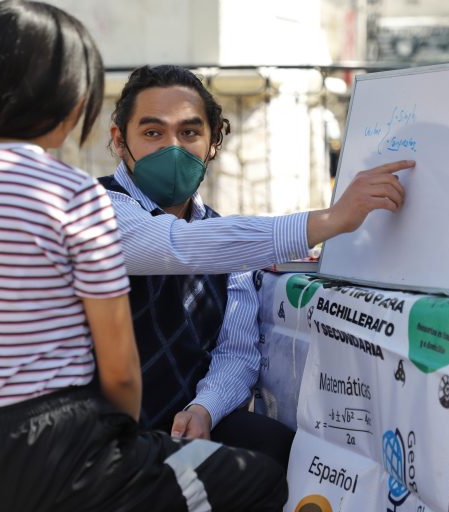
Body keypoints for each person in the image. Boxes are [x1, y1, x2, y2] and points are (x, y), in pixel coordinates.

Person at [0, 3, 286, 511]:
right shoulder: (73, 194)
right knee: (259, 478)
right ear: (69, 99)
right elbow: (122, 374)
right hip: (50, 454)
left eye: (189, 132)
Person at [101, 64, 414, 469]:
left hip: (179, 428)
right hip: (98, 431)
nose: (172, 149)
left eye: (190, 133)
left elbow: (236, 353)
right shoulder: (97, 206)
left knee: (273, 447)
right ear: (119, 139)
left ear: (214, 141)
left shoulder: (224, 240)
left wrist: (204, 409)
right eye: (153, 132)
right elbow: (175, 245)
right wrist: (331, 219)